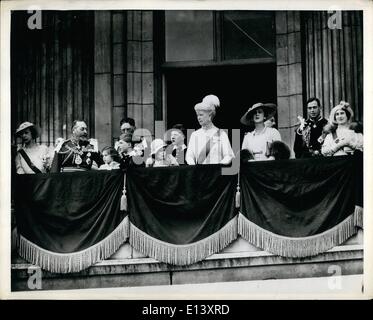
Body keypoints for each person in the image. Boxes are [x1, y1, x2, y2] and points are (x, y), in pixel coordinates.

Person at [185, 95, 234, 165]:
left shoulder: (221, 134)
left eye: (201, 115)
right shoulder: (195, 135)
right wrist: (194, 168)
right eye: (197, 115)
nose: (198, 118)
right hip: (199, 174)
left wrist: (217, 168)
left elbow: (229, 155)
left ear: (210, 115)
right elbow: (189, 156)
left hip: (216, 174)